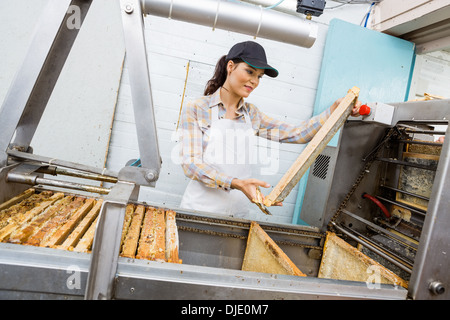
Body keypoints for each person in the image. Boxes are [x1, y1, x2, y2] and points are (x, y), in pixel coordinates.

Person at [179, 41, 360, 217]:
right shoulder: (197, 108)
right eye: (249, 71)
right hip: (200, 210)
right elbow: (190, 164)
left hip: (236, 213)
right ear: (231, 66)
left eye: (259, 76)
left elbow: (296, 134)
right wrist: (236, 183)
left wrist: (333, 110)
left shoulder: (252, 114)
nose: (254, 81)